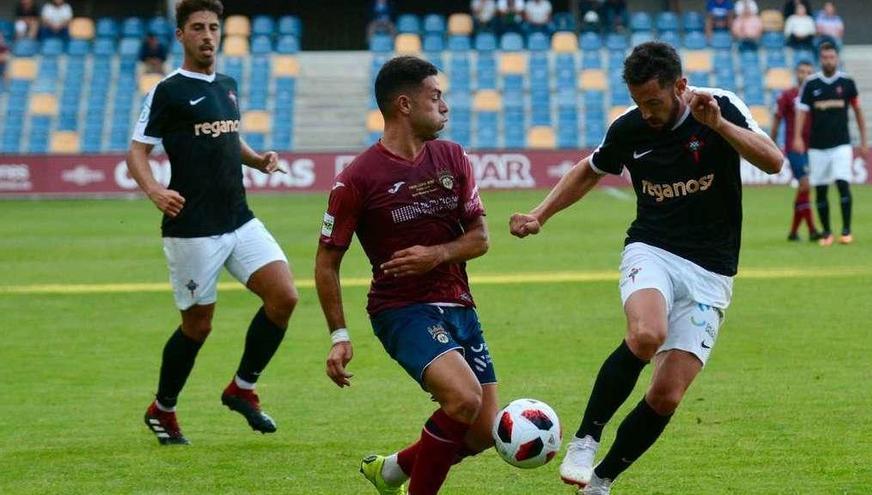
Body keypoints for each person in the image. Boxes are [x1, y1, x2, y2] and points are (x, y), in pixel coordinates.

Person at [509, 41, 783, 494]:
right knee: (646, 334)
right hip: (652, 248)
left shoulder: (720, 106)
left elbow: (773, 161)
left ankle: (600, 482)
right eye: (638, 102)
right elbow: (590, 169)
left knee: (667, 394)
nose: (647, 112)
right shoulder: (630, 127)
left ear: (680, 86)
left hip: (712, 271)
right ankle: (585, 437)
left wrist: (718, 125)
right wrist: (540, 214)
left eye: (654, 102)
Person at [315, 55, 496, 495]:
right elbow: (326, 262)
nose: (445, 106)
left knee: (483, 432)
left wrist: (434, 255)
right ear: (404, 105)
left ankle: (392, 470)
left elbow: (480, 239)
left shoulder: (452, 156)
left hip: (459, 304)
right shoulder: (356, 179)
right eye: (436, 97)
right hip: (401, 310)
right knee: (463, 400)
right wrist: (339, 335)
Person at [128, 0, 298, 445]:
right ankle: (162, 409)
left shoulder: (227, 84)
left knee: (284, 296)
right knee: (198, 327)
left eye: (214, 27)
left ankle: (242, 388)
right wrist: (154, 191)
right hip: (192, 227)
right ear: (181, 35)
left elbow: (228, 134)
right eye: (198, 28)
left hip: (239, 218)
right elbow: (137, 151)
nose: (208, 35)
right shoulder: (168, 91)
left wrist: (257, 159)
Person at [793, 42, 867, 246]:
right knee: (821, 189)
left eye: (832, 57)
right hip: (817, 146)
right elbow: (801, 111)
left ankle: (846, 230)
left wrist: (863, 140)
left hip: (841, 144)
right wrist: (797, 137)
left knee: (843, 184)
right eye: (825, 57)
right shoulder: (811, 83)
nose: (828, 61)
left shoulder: (847, 83)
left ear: (837, 58)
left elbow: (858, 112)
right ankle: (826, 233)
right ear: (820, 59)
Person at [770, 60, 820, 241]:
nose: (805, 75)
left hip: (814, 148)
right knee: (805, 184)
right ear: (796, 74)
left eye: (808, 72)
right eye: (802, 72)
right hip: (795, 147)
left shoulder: (816, 95)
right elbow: (776, 118)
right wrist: (772, 143)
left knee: (804, 188)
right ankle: (813, 230)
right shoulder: (787, 95)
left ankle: (793, 232)